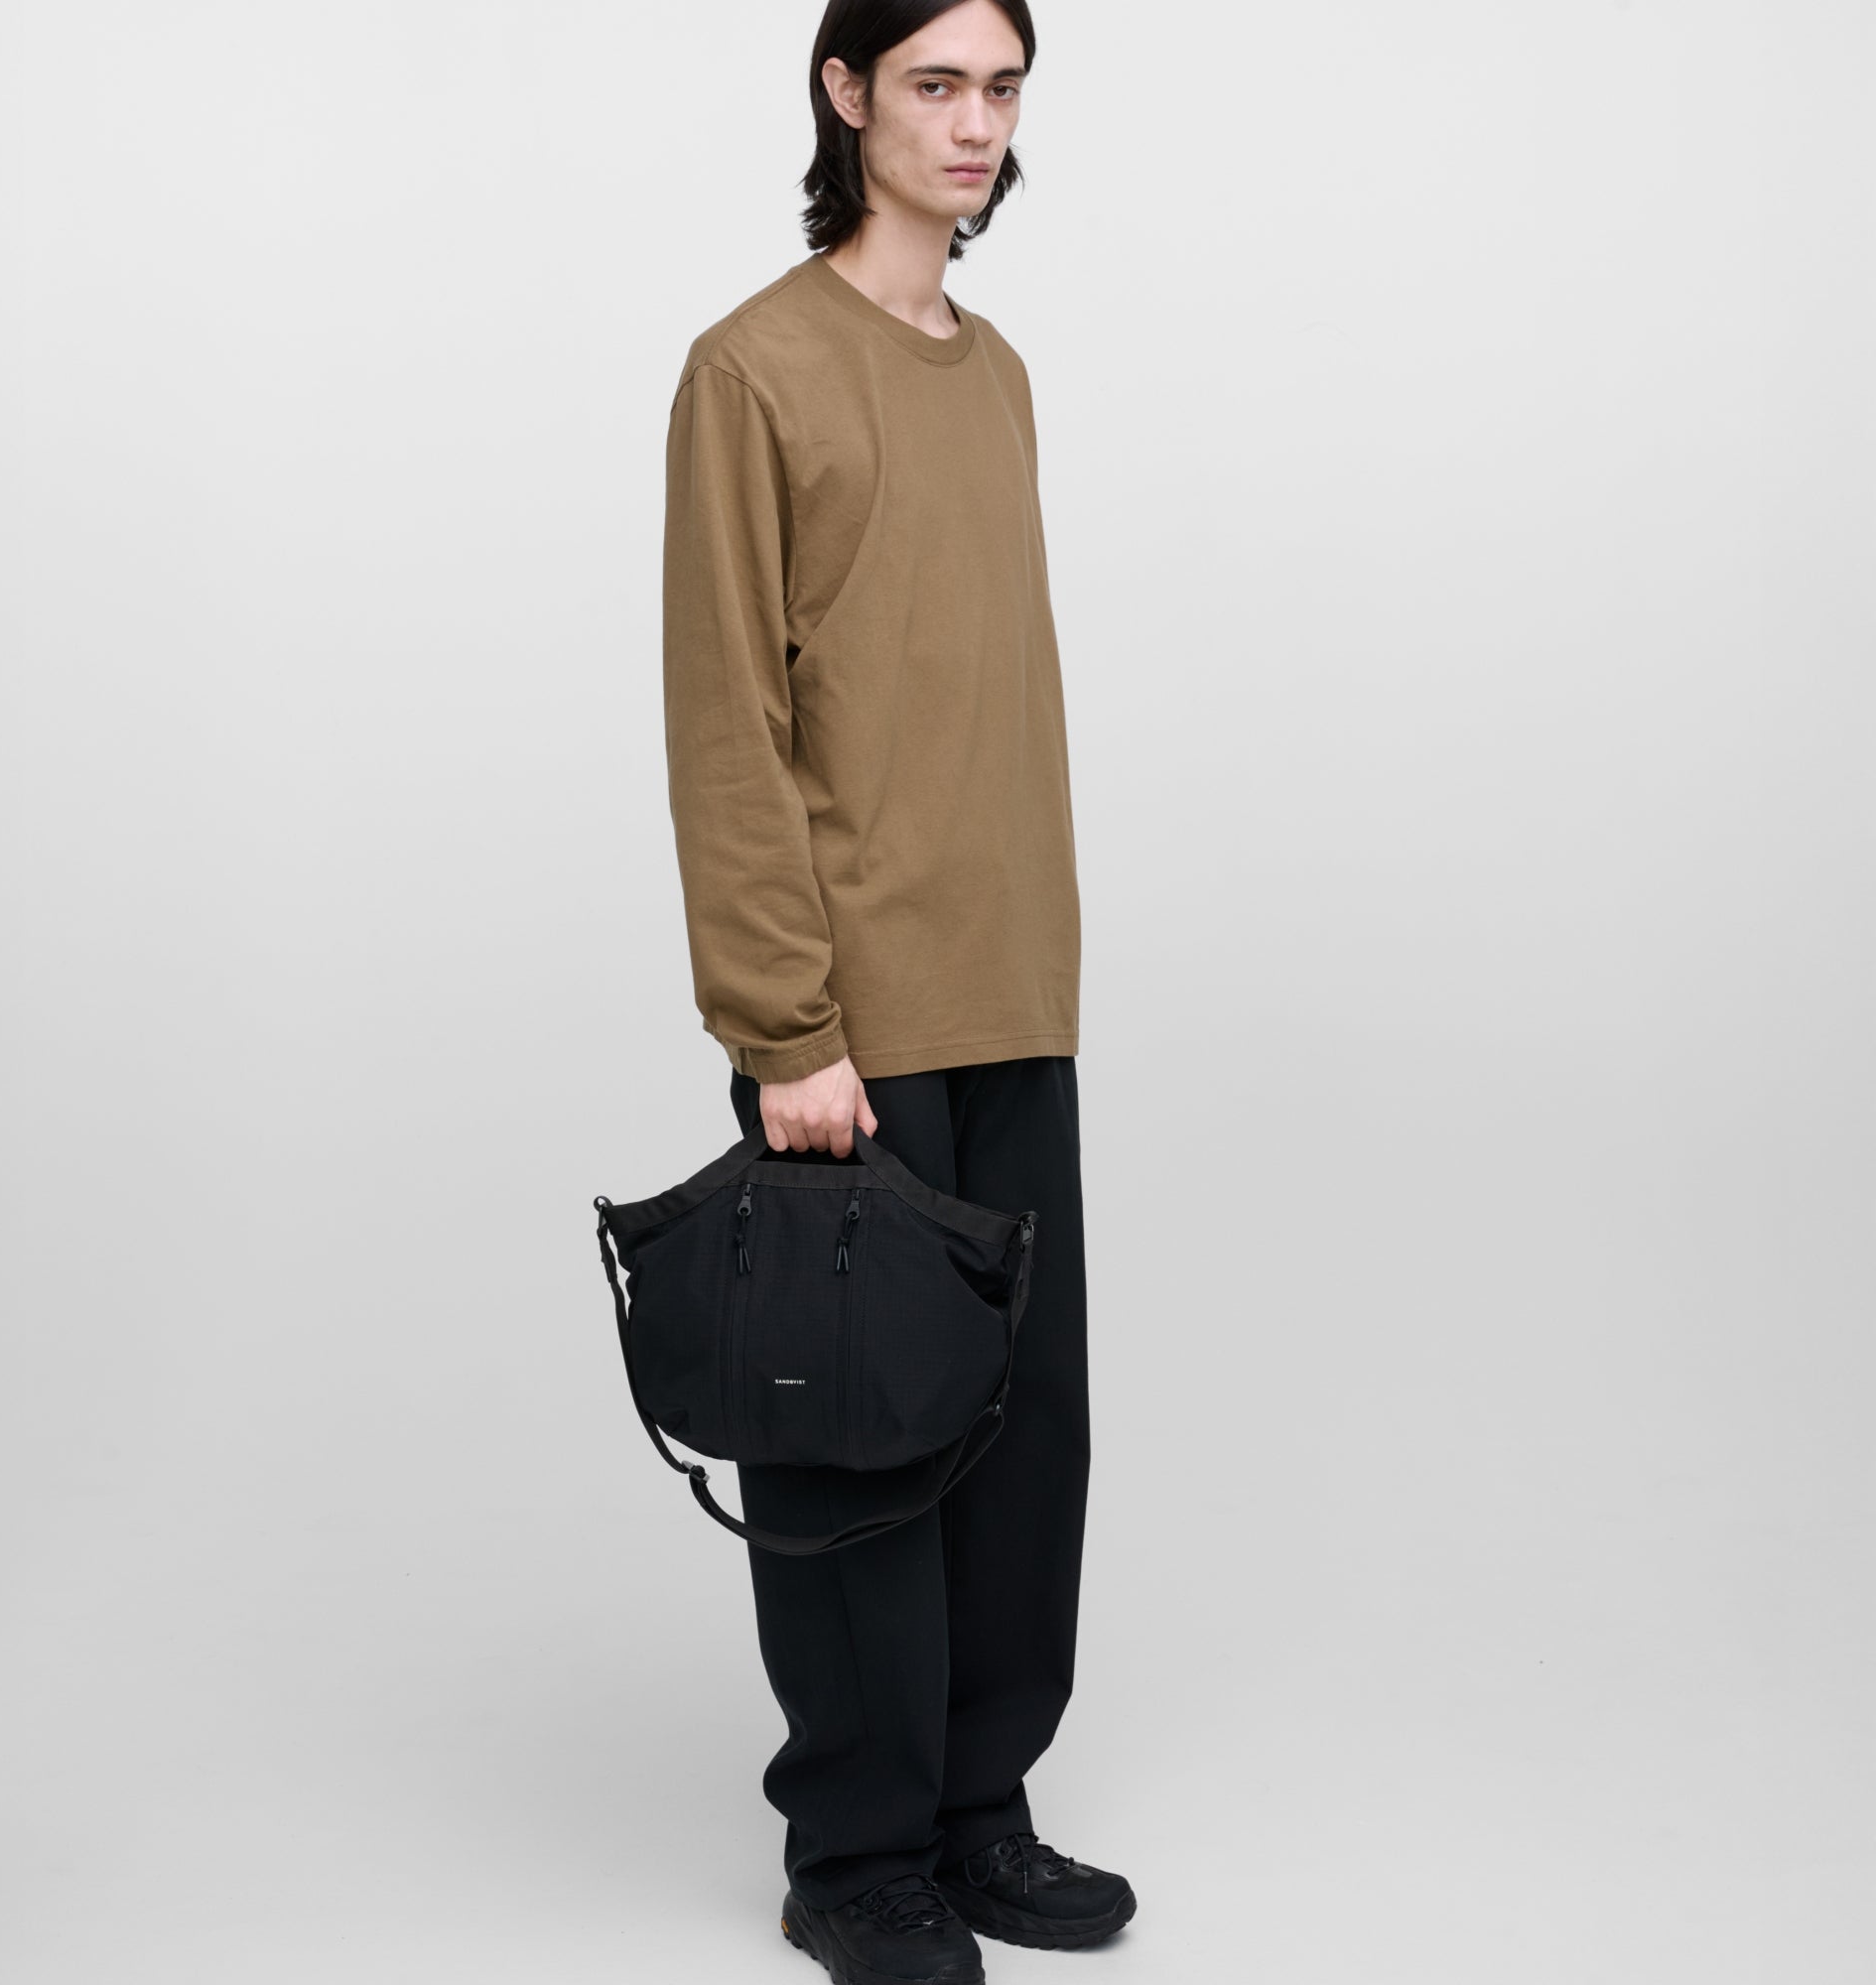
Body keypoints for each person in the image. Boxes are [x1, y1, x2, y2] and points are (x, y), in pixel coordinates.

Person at [660, 3, 1135, 1977]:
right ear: (846, 91)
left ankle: (976, 1810)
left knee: (1024, 1435)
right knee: (856, 1448)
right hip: (847, 1022)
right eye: (935, 84)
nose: (974, 124)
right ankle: (855, 1853)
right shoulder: (752, 368)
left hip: (1013, 984)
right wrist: (784, 1026)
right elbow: (729, 717)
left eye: (1001, 88)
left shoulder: (996, 372)